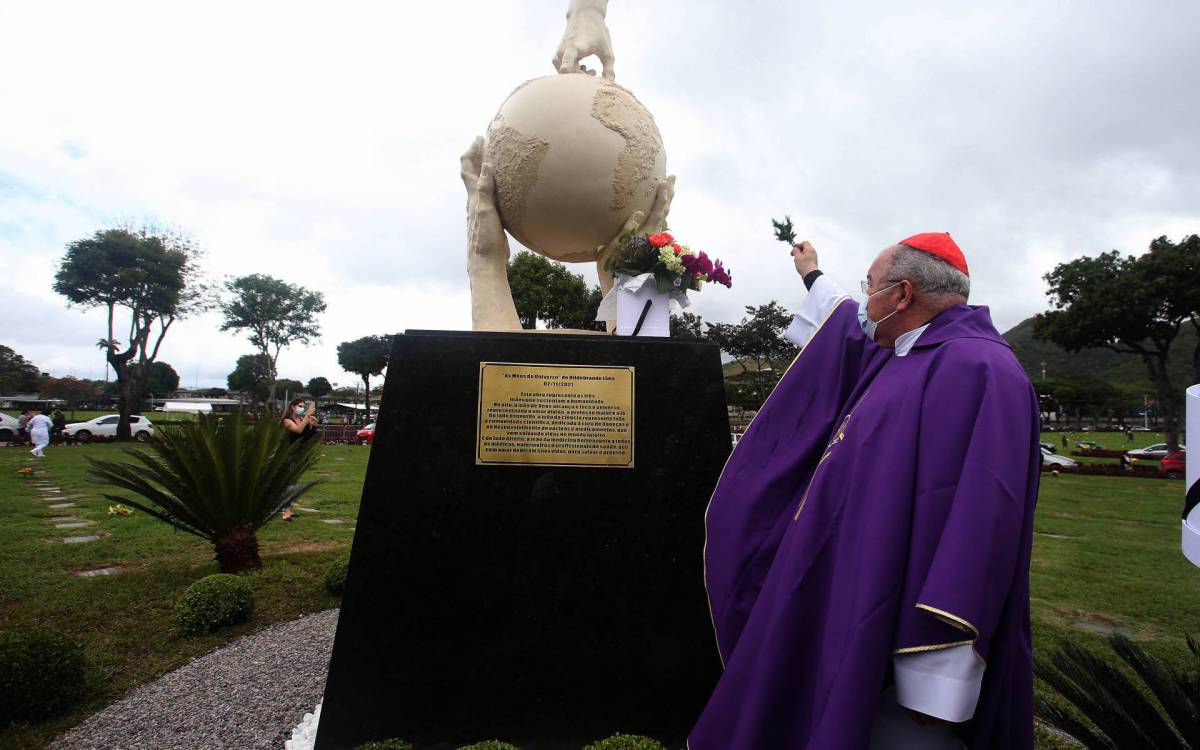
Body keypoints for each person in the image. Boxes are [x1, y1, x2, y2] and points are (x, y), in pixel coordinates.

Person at [692, 233, 1039, 749]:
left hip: (907, 636)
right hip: (852, 585)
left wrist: (937, 678)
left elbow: (982, 520)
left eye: (871, 286)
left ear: (901, 296)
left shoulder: (979, 370)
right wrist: (810, 274)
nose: (864, 299)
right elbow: (840, 316)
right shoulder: (903, 355)